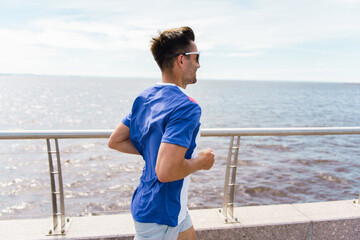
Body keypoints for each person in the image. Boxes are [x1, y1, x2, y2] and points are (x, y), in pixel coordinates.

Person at [108, 26, 215, 240]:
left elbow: (116, 141)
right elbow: (165, 172)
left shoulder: (146, 97)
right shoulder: (186, 107)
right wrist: (201, 162)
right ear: (181, 60)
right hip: (161, 214)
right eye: (196, 57)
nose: (199, 64)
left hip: (172, 206)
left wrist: (155, 152)